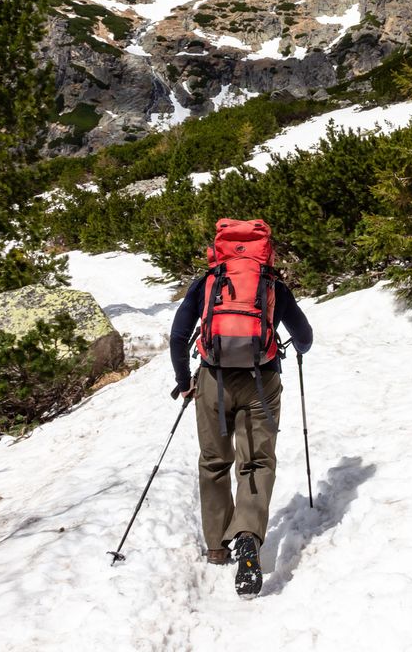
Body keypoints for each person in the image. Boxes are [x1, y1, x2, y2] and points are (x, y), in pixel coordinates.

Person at [169, 252, 312, 596]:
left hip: (212, 381)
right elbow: (304, 335)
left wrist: (184, 379)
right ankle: (248, 534)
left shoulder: (207, 282)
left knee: (214, 461)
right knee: (257, 461)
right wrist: (298, 347)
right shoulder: (272, 285)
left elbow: (178, 336)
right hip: (260, 381)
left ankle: (218, 546)